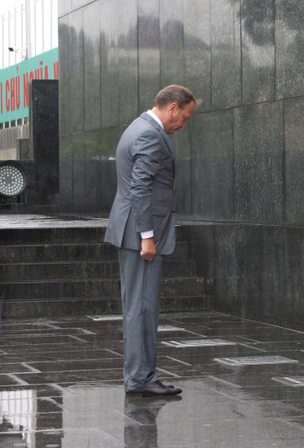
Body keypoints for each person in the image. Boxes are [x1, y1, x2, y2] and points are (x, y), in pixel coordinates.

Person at [104, 84, 195, 397]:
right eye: (184, 117)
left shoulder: (138, 127)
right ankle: (141, 377)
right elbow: (140, 188)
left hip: (132, 229)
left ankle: (139, 375)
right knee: (142, 307)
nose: (183, 124)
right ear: (172, 108)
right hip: (139, 234)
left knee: (137, 306)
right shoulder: (149, 135)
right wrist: (147, 237)